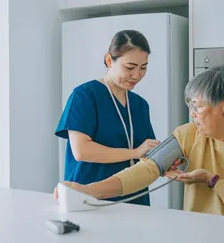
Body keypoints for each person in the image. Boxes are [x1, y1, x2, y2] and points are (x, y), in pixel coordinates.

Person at [56, 65, 224, 223]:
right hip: (197, 242)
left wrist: (213, 181)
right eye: (190, 106)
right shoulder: (188, 133)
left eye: (197, 106)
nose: (192, 114)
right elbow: (145, 169)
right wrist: (88, 191)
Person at [54, 30, 161, 206]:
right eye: (130, 67)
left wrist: (164, 160)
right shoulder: (85, 96)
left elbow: (146, 152)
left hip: (135, 198)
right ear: (110, 60)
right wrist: (134, 153)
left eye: (143, 68)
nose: (137, 75)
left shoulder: (140, 105)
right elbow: (82, 151)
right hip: (88, 198)